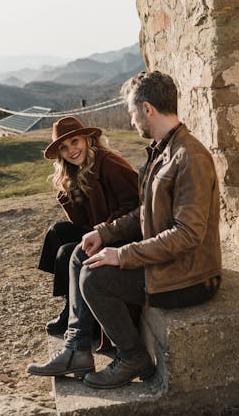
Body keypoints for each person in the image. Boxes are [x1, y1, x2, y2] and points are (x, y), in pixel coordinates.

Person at [27, 70, 222, 388]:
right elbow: (142, 214)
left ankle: (132, 356)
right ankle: (77, 348)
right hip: (167, 261)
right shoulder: (163, 152)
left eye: (132, 113)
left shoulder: (191, 157)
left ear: (147, 109)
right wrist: (104, 233)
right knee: (80, 253)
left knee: (96, 277)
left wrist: (123, 254)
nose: (131, 122)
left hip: (191, 275)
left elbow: (188, 235)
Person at [36, 116, 139, 337]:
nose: (71, 150)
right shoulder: (79, 170)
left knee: (68, 252)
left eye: (75, 141)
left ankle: (80, 317)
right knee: (57, 233)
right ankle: (70, 305)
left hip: (122, 233)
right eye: (63, 148)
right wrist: (67, 192)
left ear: (87, 139)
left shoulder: (109, 163)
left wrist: (105, 230)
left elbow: (135, 205)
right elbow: (81, 223)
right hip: (100, 230)